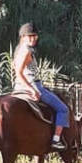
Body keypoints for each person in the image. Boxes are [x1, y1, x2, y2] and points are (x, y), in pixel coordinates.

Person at [12, 22, 68, 150]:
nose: (33, 39)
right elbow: (19, 73)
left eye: (34, 36)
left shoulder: (18, 50)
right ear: (23, 37)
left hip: (18, 87)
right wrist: (31, 89)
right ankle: (56, 140)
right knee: (63, 109)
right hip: (33, 85)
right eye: (29, 36)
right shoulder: (26, 51)